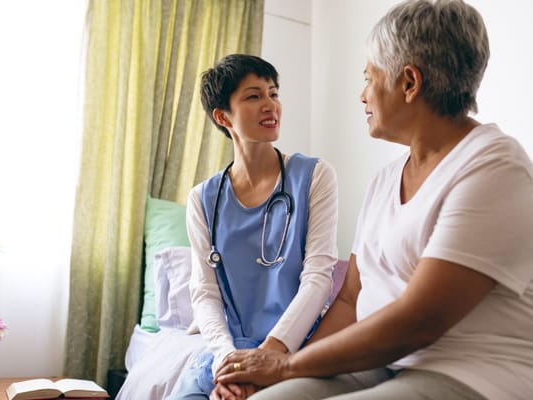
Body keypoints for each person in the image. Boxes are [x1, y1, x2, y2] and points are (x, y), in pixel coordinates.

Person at [214, 1, 533, 399]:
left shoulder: (494, 166)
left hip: (470, 370)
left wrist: (287, 364)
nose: (362, 94)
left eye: (369, 77)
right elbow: (349, 299)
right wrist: (286, 377)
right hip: (382, 365)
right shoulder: (384, 181)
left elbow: (421, 320)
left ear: (409, 83)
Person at [166, 54, 339, 400]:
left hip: (295, 344)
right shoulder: (204, 199)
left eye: (273, 94)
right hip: (230, 351)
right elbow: (205, 293)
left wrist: (271, 354)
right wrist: (227, 361)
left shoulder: (315, 176)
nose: (270, 105)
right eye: (253, 96)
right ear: (222, 116)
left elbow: (319, 276)